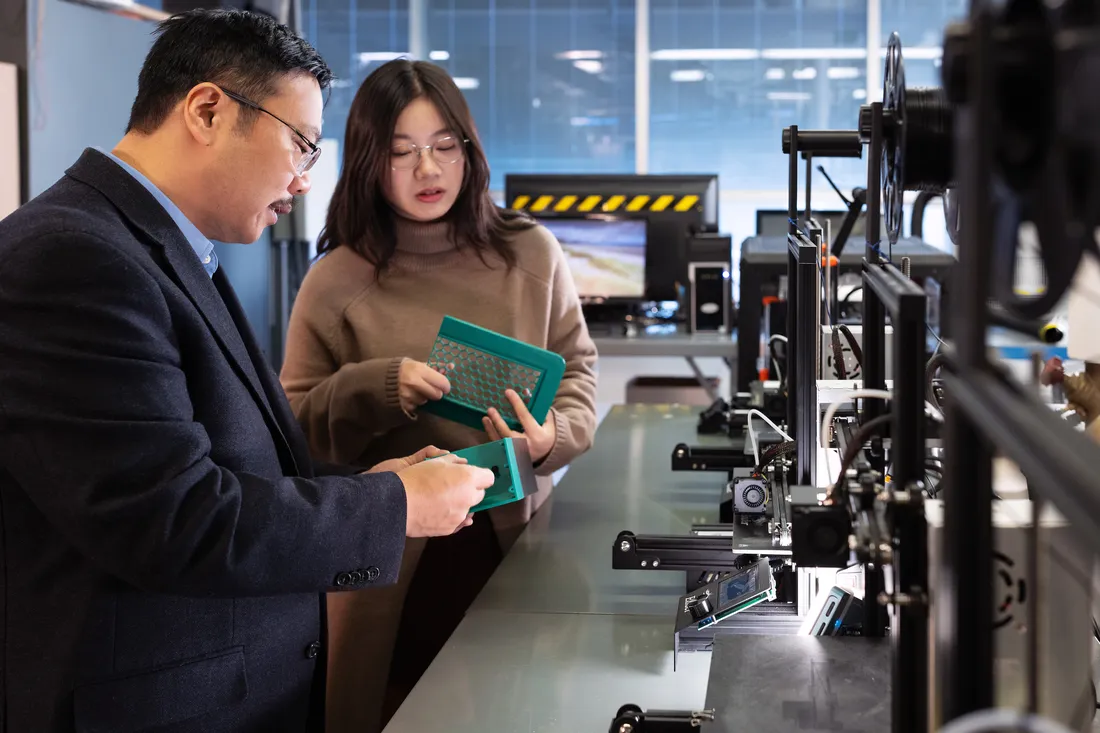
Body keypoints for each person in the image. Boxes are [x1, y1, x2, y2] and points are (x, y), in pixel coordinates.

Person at [0, 11, 494, 733]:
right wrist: (396, 507)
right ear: (207, 110)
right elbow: (175, 520)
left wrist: (372, 483)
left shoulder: (167, 248)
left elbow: (234, 464)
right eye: (300, 144)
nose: (301, 181)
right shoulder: (74, 259)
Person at [278, 59, 599, 732]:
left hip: (508, 538)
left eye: (445, 147)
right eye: (403, 153)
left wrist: (551, 439)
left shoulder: (529, 253)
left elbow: (576, 372)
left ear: (469, 150)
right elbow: (293, 428)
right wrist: (377, 386)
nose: (429, 169)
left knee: (517, 710)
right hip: (387, 554)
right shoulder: (336, 279)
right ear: (370, 160)